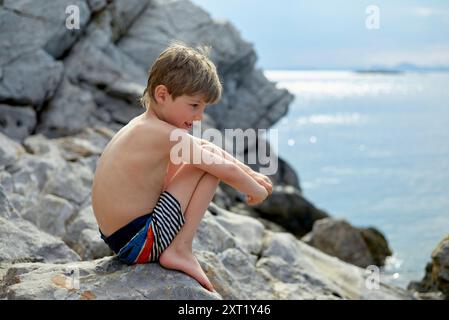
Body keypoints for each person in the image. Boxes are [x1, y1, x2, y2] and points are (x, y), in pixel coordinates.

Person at [91, 41, 273, 293]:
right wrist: (256, 190)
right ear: (162, 94)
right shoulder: (163, 134)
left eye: (203, 108)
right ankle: (180, 248)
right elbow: (224, 169)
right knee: (208, 167)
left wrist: (251, 173)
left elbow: (207, 147)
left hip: (120, 237)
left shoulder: (143, 125)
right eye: (194, 105)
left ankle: (177, 247)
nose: (199, 116)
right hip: (139, 241)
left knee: (204, 155)